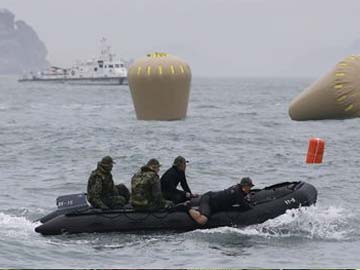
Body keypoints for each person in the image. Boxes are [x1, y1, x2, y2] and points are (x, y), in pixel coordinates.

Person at [188, 177, 254, 225]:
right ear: (244, 185)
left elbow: (244, 199)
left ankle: (192, 206)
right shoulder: (237, 193)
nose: (250, 188)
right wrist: (252, 205)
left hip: (213, 200)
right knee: (202, 220)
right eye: (249, 186)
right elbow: (245, 206)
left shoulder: (239, 189)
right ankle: (186, 208)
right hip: (209, 200)